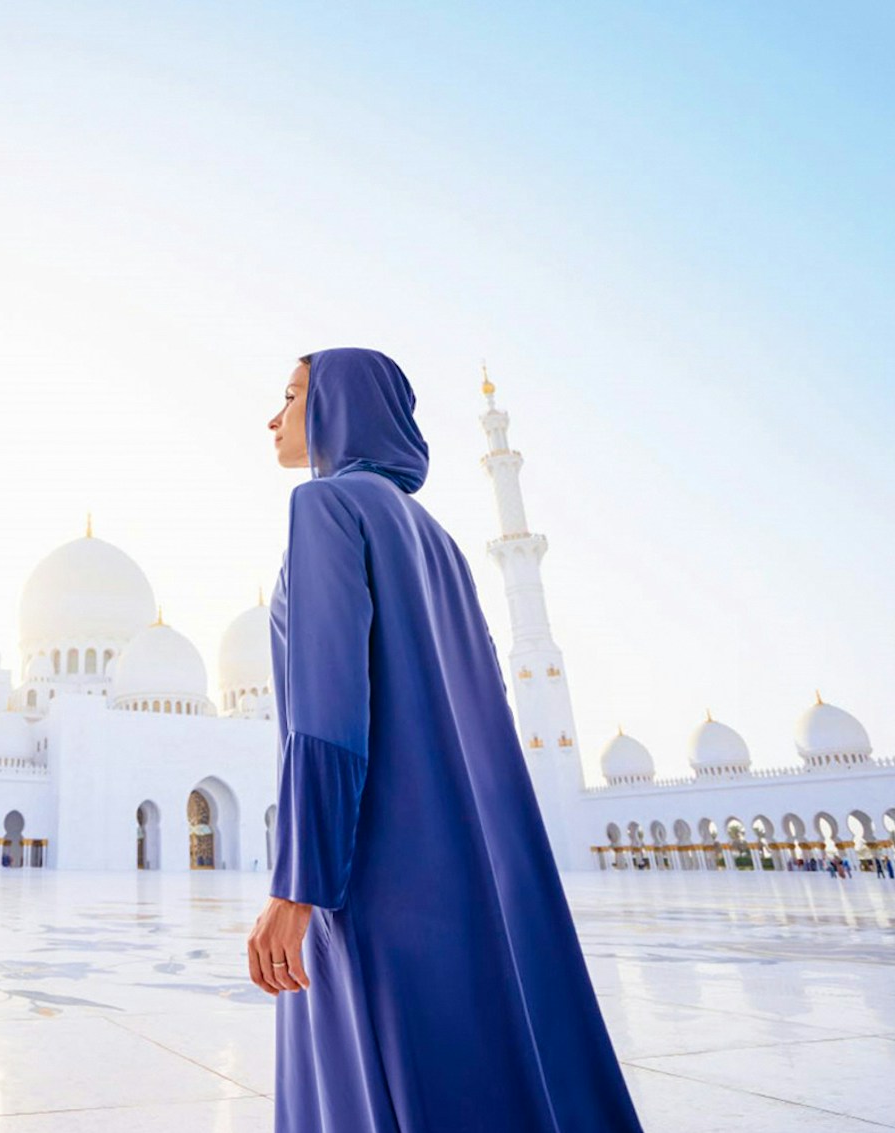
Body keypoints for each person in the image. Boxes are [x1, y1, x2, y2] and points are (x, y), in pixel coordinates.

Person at [248, 349, 643, 1131]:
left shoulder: (325, 507)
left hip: (372, 868)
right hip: (467, 866)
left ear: (337, 407)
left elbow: (326, 715)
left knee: (377, 1076)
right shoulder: (435, 536)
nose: (274, 416)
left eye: (292, 396)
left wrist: (299, 885)